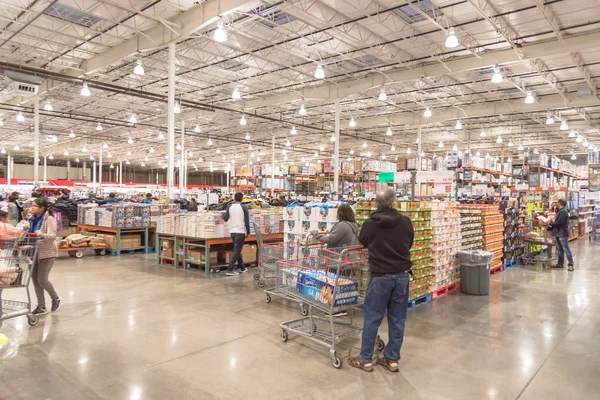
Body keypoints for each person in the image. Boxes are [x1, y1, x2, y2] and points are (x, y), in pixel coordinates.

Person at [350, 188, 414, 373]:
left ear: (376, 204)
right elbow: (409, 243)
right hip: (402, 276)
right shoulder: (405, 222)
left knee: (372, 318)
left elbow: (362, 241)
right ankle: (392, 359)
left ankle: (365, 359)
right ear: (394, 202)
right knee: (398, 318)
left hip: (380, 276)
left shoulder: (370, 223)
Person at [28, 197, 60, 315]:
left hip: (46, 253)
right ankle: (41, 306)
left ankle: (55, 297)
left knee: (42, 279)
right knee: (35, 281)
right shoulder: (31, 219)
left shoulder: (49, 219)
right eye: (32, 205)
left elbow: (52, 236)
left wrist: (42, 235)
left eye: (34, 206)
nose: (32, 208)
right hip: (31, 252)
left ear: (42, 208)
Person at [223, 192, 250, 276]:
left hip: (232, 231)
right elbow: (246, 221)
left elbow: (225, 219)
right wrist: (248, 232)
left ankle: (242, 267)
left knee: (236, 250)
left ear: (234, 198)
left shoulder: (229, 207)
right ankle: (230, 269)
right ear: (242, 198)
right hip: (240, 231)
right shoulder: (244, 207)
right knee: (237, 250)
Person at [548, 198, 574, 271]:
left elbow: (560, 222)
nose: (556, 204)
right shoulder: (560, 211)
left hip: (562, 233)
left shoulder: (563, 211)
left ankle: (570, 265)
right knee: (560, 249)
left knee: (566, 249)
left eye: (557, 203)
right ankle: (560, 263)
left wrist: (550, 223)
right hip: (558, 233)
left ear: (560, 203)